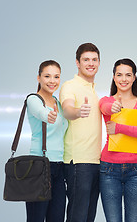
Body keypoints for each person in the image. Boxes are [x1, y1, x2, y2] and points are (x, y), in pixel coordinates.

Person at [99, 58, 137, 222]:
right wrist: (113, 108)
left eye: (128, 75)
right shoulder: (107, 101)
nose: (124, 79)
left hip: (136, 169)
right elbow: (104, 108)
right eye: (119, 75)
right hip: (109, 169)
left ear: (134, 77)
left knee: (134, 219)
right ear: (114, 77)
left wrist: (119, 128)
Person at [59, 43, 102, 222]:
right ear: (77, 62)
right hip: (78, 162)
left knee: (89, 217)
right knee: (77, 216)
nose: (90, 63)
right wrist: (77, 112)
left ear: (99, 62)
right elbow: (67, 109)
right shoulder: (69, 86)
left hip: (96, 162)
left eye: (94, 59)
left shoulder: (94, 91)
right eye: (86, 60)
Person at [26, 60, 68, 222]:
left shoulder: (57, 102)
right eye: (47, 76)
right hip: (40, 167)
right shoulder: (33, 99)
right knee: (36, 218)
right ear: (39, 78)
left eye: (56, 77)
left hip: (59, 166)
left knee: (57, 218)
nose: (52, 81)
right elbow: (41, 113)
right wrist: (48, 115)